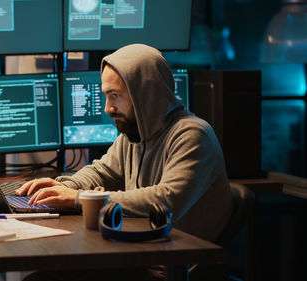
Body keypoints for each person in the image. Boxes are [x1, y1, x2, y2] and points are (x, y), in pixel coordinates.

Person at [17, 44, 233, 280]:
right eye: (106, 96)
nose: (108, 108)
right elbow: (101, 171)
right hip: (140, 255)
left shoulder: (192, 134)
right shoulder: (134, 134)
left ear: (146, 93)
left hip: (172, 268)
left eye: (115, 96)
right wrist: (66, 186)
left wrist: (79, 200)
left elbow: (166, 200)